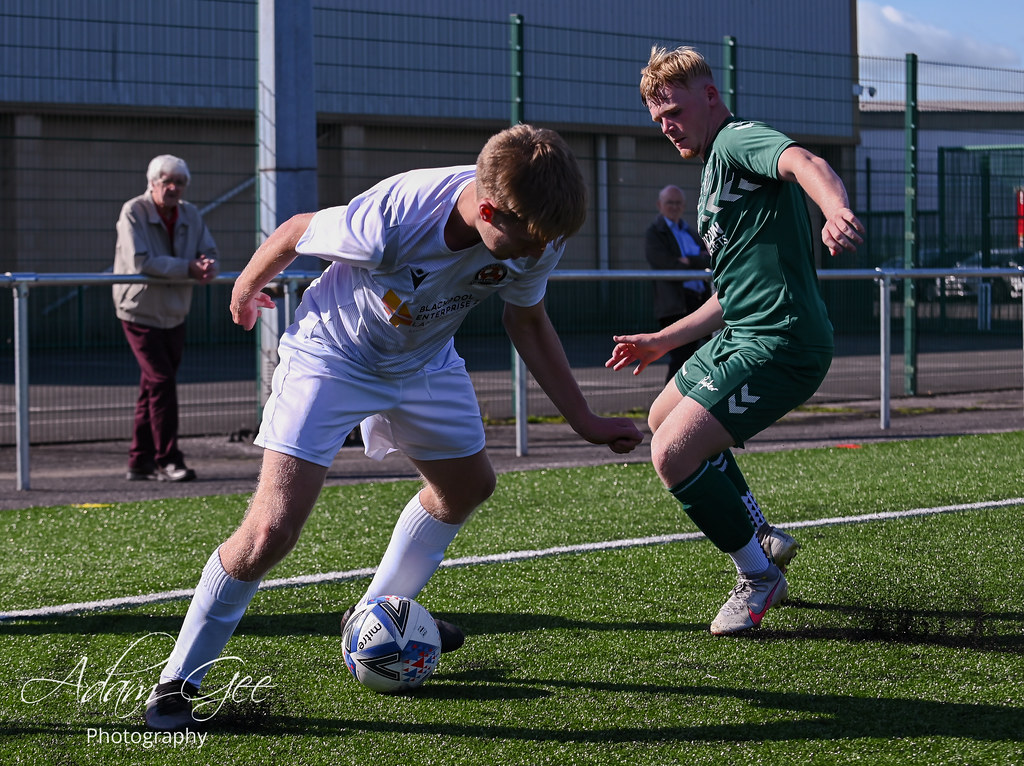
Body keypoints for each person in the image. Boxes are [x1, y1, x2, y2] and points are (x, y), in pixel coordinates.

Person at [145, 124, 643, 731]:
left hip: (424, 361)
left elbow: (529, 322)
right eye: (530, 240)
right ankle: (175, 685)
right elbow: (298, 229)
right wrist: (248, 286)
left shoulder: (538, 227)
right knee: (270, 531)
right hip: (333, 357)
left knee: (466, 489)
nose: (540, 252)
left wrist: (584, 420)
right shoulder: (398, 214)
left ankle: (372, 616)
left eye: (549, 240)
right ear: (488, 211)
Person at [607, 46, 864, 635]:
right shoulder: (712, 176)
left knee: (672, 453)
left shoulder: (736, 141)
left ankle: (757, 574)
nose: (667, 125)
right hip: (742, 334)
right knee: (660, 416)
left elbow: (803, 161)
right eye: (658, 119)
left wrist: (834, 209)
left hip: (783, 342)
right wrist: (659, 340)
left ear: (710, 97)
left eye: (673, 109)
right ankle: (762, 534)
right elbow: (729, 293)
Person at [113, 155, 219, 483]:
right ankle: (167, 458)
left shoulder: (191, 213)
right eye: (166, 181)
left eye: (179, 182)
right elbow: (140, 261)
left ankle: (139, 460)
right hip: (139, 309)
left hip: (175, 310)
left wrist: (206, 263)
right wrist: (187, 267)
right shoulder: (133, 211)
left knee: (153, 385)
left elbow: (209, 250)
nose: (173, 188)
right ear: (152, 183)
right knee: (161, 381)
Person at [644, 184, 712, 382]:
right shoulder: (655, 233)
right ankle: (668, 409)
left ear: (683, 206)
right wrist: (696, 259)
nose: (674, 207)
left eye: (678, 203)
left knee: (718, 352)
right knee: (681, 360)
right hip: (677, 305)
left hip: (702, 302)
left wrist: (689, 260)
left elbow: (710, 259)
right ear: (660, 205)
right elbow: (665, 264)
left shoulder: (690, 232)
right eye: (669, 203)